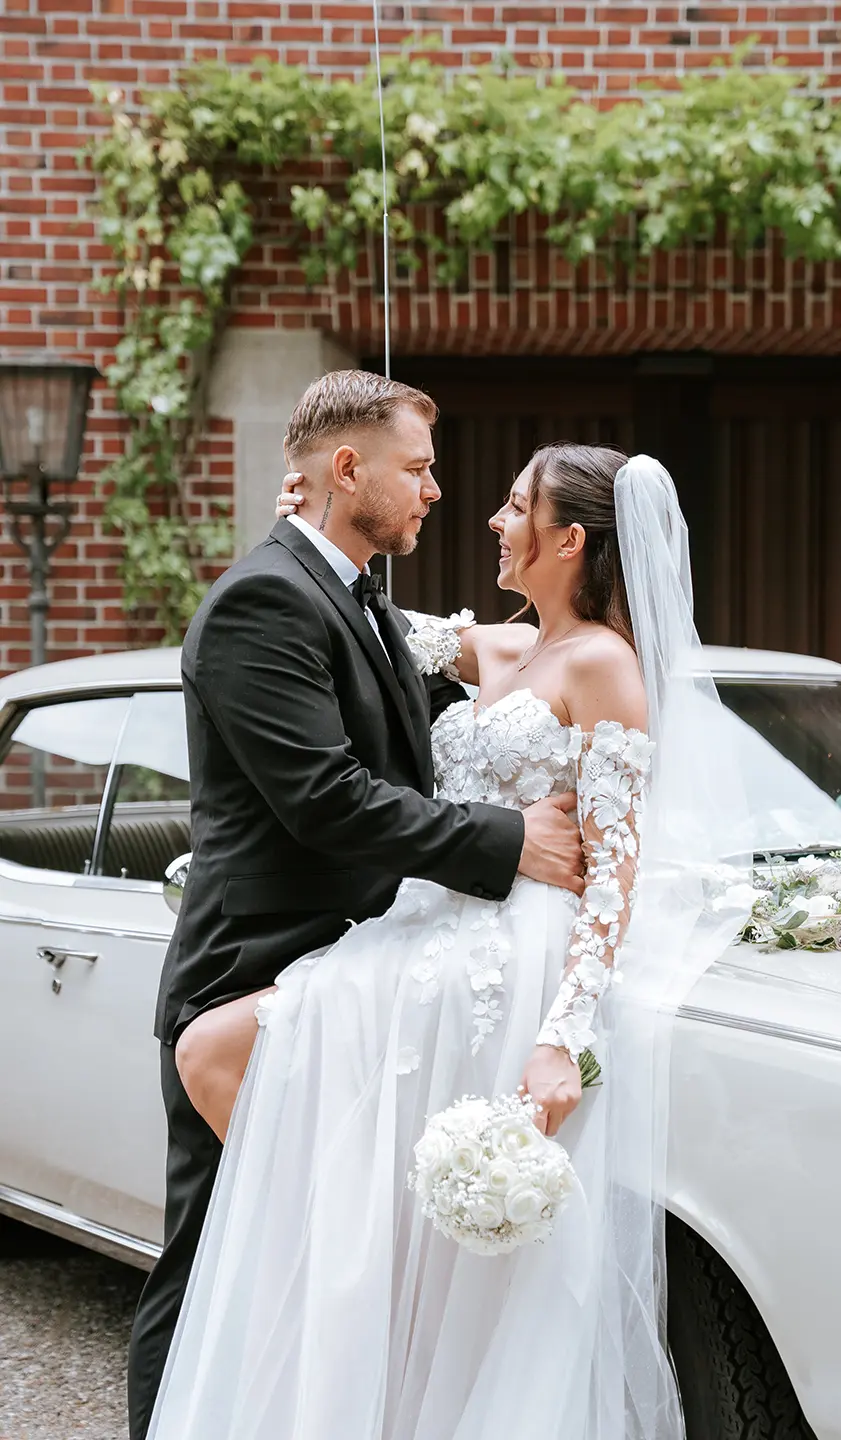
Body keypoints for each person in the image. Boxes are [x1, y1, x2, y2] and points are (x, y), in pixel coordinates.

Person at [146, 439, 748, 1439]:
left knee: (221, 1050)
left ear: (570, 540)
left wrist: (565, 1034)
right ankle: (352, 1275)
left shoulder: (604, 664)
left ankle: (360, 1279)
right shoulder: (508, 648)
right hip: (421, 929)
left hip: (509, 963)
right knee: (218, 1053)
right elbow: (351, 611)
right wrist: (304, 513)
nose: (491, 522)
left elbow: (616, 873)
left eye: (516, 508)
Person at [126, 371, 586, 1440]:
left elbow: (453, 718)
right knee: (211, 1271)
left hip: (363, 982)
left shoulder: (360, 597)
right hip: (253, 977)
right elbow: (324, 800)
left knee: (316, 1273)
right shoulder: (264, 600)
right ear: (348, 469)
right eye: (419, 469)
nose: (436, 492)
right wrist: (511, 842)